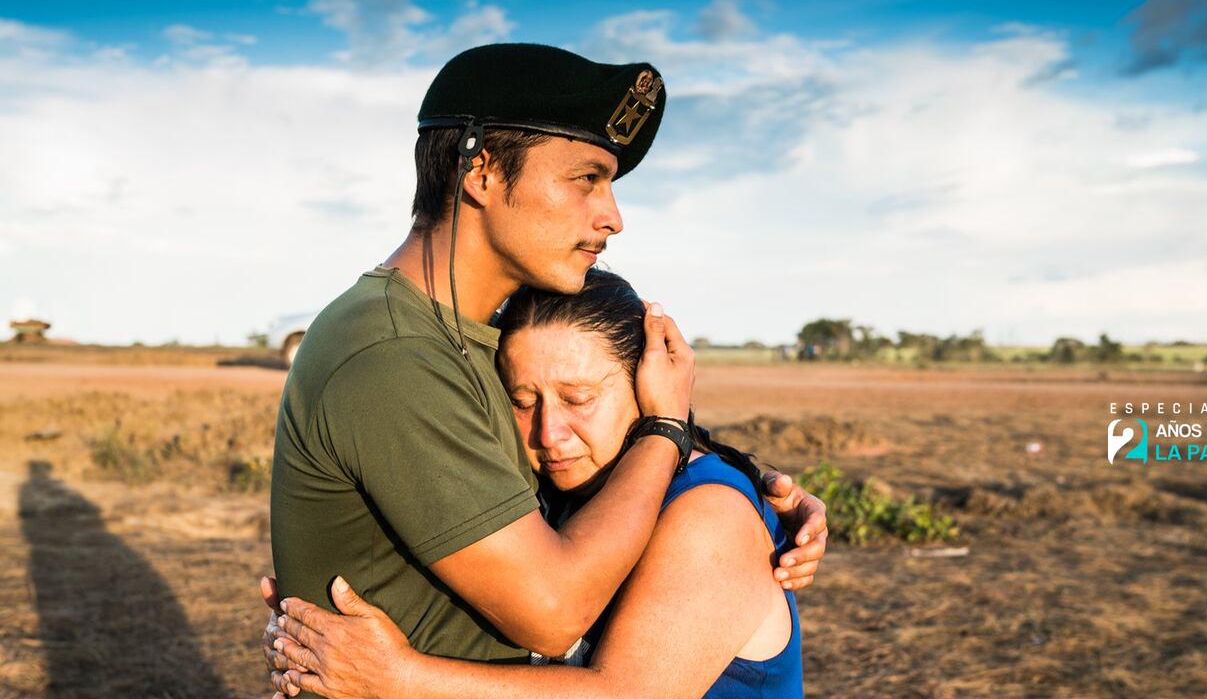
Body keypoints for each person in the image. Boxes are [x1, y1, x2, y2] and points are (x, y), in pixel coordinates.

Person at [267, 43, 827, 696]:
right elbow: (554, 615)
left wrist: (745, 489)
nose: (612, 216)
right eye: (585, 178)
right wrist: (669, 429)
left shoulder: (467, 341)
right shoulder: (396, 352)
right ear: (479, 171)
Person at [268, 269, 805, 698]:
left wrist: (398, 679)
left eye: (578, 399)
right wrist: (313, 633)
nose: (549, 432)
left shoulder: (708, 515)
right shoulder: (558, 497)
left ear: (651, 386)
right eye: (523, 403)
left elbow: (626, 693)